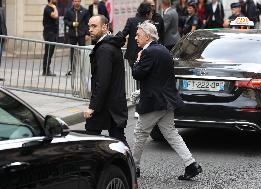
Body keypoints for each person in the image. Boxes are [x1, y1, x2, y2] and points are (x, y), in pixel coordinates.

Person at [132, 20, 202, 180]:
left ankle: (133, 167)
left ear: (148, 36)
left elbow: (137, 74)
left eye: (138, 35)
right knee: (171, 133)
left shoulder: (148, 52)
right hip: (167, 101)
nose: (136, 38)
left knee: (139, 133)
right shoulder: (164, 50)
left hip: (154, 102)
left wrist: (137, 60)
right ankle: (191, 164)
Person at [84, 15, 129, 147]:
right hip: (111, 103)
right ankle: (131, 166)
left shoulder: (105, 49)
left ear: (105, 27)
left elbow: (103, 81)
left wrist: (92, 107)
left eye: (94, 26)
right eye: (89, 26)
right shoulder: (109, 44)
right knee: (117, 139)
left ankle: (130, 166)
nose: (90, 30)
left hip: (108, 105)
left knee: (92, 139)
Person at [122, 2, 153, 68]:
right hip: (146, 54)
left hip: (132, 54)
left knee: (135, 74)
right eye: (151, 12)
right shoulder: (149, 24)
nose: (152, 14)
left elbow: (123, 34)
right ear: (147, 13)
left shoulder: (131, 21)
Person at [64, 0, 89, 76]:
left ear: (80, 2)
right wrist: (71, 24)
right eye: (75, 1)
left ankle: (83, 69)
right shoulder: (68, 11)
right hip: (72, 35)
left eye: (78, 1)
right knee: (72, 53)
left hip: (82, 35)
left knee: (83, 52)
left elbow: (88, 23)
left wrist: (87, 34)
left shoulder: (85, 11)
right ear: (73, 2)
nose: (76, 2)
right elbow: (65, 20)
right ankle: (72, 70)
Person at [42, 0, 58, 77]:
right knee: (48, 51)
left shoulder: (51, 7)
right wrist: (55, 8)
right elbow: (55, 16)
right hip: (49, 33)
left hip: (53, 33)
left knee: (50, 52)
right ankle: (45, 70)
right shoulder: (48, 8)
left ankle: (47, 69)